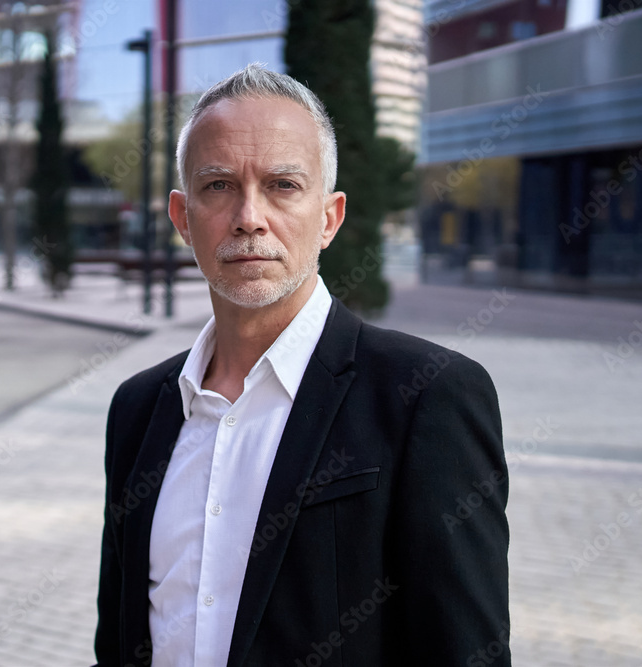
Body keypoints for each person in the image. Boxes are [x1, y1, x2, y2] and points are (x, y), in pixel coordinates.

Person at [94, 64, 510, 666]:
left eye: (283, 185)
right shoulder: (137, 409)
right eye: (219, 185)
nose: (249, 216)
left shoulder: (427, 398)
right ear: (182, 219)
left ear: (329, 218)